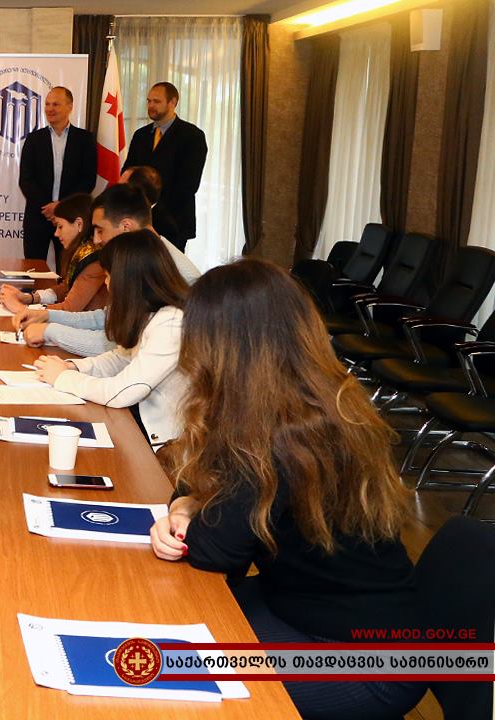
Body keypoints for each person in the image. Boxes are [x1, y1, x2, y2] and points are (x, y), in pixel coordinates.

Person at [148, 259, 425, 719]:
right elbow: (201, 488)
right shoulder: (307, 405)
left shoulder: (285, 437)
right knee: (160, 623)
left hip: (364, 662)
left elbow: (216, 549)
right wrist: (185, 505)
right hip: (305, 608)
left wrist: (190, 511)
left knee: (165, 679)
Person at [33, 230, 189, 446]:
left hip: (163, 443)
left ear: (128, 280)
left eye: (108, 276)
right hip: (138, 422)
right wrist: (74, 367)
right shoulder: (151, 313)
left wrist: (63, 378)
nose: (106, 284)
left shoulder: (170, 322)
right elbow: (121, 358)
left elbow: (122, 392)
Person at [15, 184, 199, 354]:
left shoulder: (172, 270)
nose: (96, 240)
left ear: (126, 227)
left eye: (100, 230)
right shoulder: (143, 258)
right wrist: (46, 315)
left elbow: (117, 346)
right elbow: (107, 318)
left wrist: (50, 330)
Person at [18, 86, 97, 269]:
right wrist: (48, 208)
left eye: (56, 104)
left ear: (70, 107)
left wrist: (61, 206)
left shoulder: (85, 139)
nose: (50, 109)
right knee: (33, 271)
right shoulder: (34, 139)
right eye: (47, 104)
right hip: (38, 216)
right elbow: (26, 179)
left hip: (70, 219)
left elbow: (88, 179)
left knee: (68, 270)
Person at [122, 82, 207, 252]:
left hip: (174, 222)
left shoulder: (192, 136)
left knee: (168, 268)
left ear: (172, 102)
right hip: (138, 220)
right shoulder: (141, 135)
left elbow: (189, 184)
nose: (151, 106)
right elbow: (127, 173)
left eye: (157, 101)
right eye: (149, 101)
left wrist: (153, 206)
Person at [0, 193, 106, 317]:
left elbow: (69, 309)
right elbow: (65, 287)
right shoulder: (82, 251)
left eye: (60, 226)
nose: (56, 233)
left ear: (79, 224)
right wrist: (29, 298)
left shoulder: (93, 262)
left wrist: (22, 308)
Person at [120, 165, 179, 243]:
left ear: (138, 193)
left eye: (121, 187)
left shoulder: (166, 227)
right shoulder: (112, 208)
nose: (116, 190)